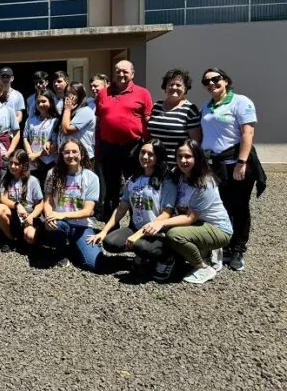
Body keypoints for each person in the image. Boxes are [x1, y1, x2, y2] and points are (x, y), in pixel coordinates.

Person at [200, 67, 265, 272]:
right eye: (206, 81)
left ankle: (238, 249)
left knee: (239, 207)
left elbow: (248, 133)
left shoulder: (241, 102)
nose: (211, 83)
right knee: (221, 207)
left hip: (236, 164)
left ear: (226, 80)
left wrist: (242, 162)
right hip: (215, 166)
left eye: (216, 79)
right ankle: (224, 244)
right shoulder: (206, 106)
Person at [142, 139, 233, 284]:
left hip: (218, 229)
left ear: (197, 157)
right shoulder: (177, 174)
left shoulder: (205, 183)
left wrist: (160, 223)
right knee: (167, 230)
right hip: (198, 224)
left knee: (174, 235)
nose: (183, 160)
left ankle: (202, 267)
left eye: (188, 157)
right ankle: (204, 251)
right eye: (180, 156)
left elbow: (190, 217)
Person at [88, 139, 176, 280]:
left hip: (158, 232)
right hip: (136, 227)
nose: (145, 157)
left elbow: (166, 213)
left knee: (140, 245)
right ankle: (142, 255)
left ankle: (167, 258)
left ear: (158, 157)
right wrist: (104, 231)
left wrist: (139, 235)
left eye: (150, 154)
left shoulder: (166, 181)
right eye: (143, 152)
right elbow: (122, 207)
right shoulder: (134, 178)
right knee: (109, 243)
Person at [96, 60, 153, 222]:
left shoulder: (143, 93)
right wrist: (98, 147)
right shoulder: (103, 93)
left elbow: (148, 121)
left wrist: (148, 147)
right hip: (109, 147)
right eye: (118, 71)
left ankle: (137, 224)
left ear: (132, 74)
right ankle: (110, 227)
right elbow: (99, 123)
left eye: (125, 71)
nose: (121, 74)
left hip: (134, 148)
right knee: (111, 189)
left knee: (137, 187)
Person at [37, 138, 103, 271]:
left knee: (94, 264)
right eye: (66, 152)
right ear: (61, 155)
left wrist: (61, 215)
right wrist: (49, 215)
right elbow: (48, 200)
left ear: (82, 154)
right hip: (60, 224)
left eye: (74, 152)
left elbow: (88, 211)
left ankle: (73, 245)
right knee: (55, 226)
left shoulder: (91, 178)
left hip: (81, 226)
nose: (71, 155)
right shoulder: (53, 173)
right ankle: (61, 252)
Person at [0, 150, 43, 253]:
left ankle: (25, 238)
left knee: (30, 237)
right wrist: (17, 205)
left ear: (24, 165)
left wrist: (31, 216)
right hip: (14, 215)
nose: (13, 166)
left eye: (17, 164)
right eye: (11, 163)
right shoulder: (6, 179)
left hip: (28, 216)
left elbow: (40, 203)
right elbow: (3, 198)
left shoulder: (32, 180)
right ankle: (10, 239)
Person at [147, 69, 202, 163]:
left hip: (177, 166)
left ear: (185, 88)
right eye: (170, 84)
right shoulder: (157, 106)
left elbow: (195, 143)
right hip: (155, 164)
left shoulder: (190, 110)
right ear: (165, 87)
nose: (174, 87)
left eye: (178, 85)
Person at [23, 89, 59, 186]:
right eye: (38, 102)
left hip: (49, 161)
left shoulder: (55, 121)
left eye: (44, 101)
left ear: (51, 102)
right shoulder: (30, 119)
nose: (40, 104)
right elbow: (25, 137)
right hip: (33, 162)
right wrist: (30, 154)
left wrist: (37, 155)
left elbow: (55, 145)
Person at [58, 82, 96, 160]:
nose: (69, 96)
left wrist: (67, 109)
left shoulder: (85, 111)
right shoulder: (68, 112)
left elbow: (66, 130)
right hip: (67, 155)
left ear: (80, 96)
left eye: (73, 94)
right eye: (67, 93)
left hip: (82, 157)